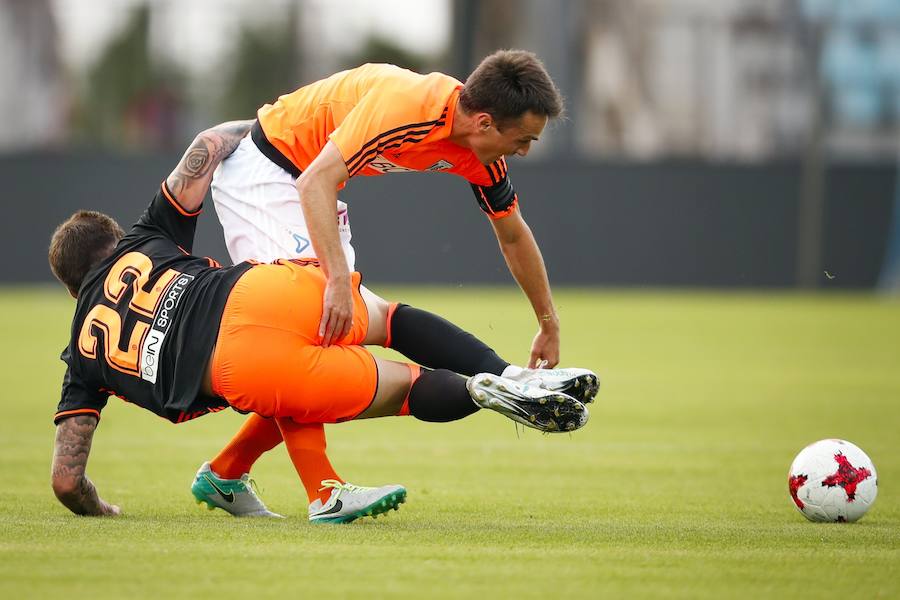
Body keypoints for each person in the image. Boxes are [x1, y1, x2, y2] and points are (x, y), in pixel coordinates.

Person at [47, 121, 592, 522]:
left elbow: (67, 482)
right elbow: (207, 145)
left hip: (235, 367)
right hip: (264, 290)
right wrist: (266, 132)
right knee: (391, 319)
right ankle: (508, 374)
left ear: (73, 289)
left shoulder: (81, 354)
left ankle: (477, 393)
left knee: (405, 388)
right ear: (115, 242)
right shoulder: (142, 241)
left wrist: (103, 512)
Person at [193, 50, 592, 519]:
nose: (524, 151)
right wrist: (337, 279)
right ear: (484, 122)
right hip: (266, 175)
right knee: (311, 326)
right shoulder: (407, 110)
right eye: (523, 139)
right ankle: (323, 492)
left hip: (309, 183)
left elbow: (512, 233)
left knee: (342, 326)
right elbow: (315, 181)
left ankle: (226, 471)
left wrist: (548, 322)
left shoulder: (479, 155)